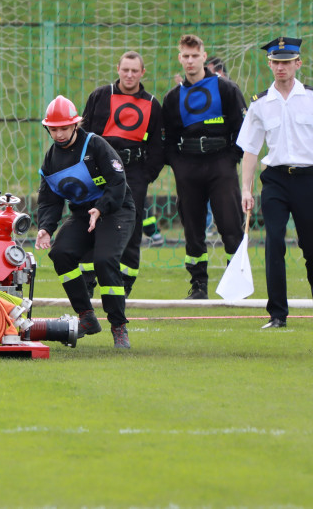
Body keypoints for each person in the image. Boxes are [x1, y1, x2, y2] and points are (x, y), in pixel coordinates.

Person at [35, 95, 135, 349]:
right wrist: (46, 228)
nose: (58, 134)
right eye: (53, 129)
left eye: (64, 128)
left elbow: (117, 183)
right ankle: (86, 317)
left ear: (75, 125)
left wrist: (100, 209)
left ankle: (118, 326)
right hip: (82, 214)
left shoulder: (96, 145)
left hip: (116, 210)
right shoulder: (50, 161)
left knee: (104, 261)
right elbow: (50, 200)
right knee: (60, 254)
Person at [163, 34, 246, 300]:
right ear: (179, 58)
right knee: (193, 228)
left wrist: (231, 158)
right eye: (185, 56)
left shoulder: (226, 89)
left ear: (204, 57)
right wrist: (178, 165)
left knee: (230, 224)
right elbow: (168, 138)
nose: (190, 61)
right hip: (188, 166)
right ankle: (199, 285)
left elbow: (244, 129)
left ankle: (237, 284)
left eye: (194, 56)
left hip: (221, 163)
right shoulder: (173, 97)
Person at [238, 37, 313, 329]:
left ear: (298, 63)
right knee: (274, 243)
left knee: (310, 246)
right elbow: (251, 150)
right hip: (276, 181)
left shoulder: (310, 97)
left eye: (287, 62)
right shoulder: (260, 104)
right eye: (276, 62)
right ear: (269, 64)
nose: (281, 67)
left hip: (308, 179)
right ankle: (278, 314)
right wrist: (246, 188)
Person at [80, 51, 163, 297]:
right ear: (118, 68)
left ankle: (125, 282)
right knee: (90, 221)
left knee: (132, 226)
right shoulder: (100, 96)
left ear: (142, 73)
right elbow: (84, 135)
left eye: (134, 71)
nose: (129, 75)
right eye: (125, 69)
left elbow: (158, 145)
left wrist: (146, 175)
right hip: (99, 171)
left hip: (134, 173)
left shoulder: (152, 103)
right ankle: (87, 280)